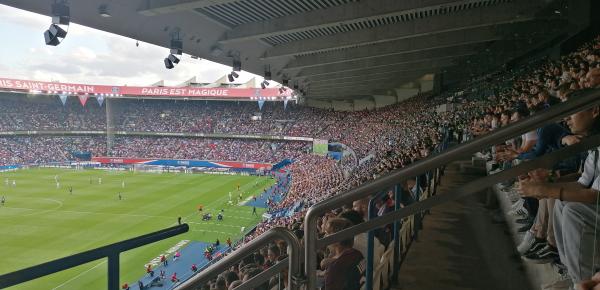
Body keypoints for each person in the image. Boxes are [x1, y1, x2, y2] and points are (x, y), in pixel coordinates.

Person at [518, 103, 600, 286]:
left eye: (572, 113)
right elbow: (582, 183)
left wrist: (545, 188)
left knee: (573, 211)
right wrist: (548, 185)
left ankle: (583, 283)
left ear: (594, 110)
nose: (566, 119)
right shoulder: (594, 143)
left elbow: (595, 195)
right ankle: (573, 274)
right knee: (560, 201)